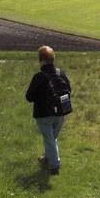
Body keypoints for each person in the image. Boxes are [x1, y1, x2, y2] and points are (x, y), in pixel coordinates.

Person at [25, 45, 72, 175]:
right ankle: (47, 158)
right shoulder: (61, 73)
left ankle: (54, 166)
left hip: (44, 114)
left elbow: (29, 97)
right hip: (61, 113)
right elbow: (69, 90)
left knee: (49, 138)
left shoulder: (39, 77)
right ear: (53, 59)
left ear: (42, 60)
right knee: (52, 138)